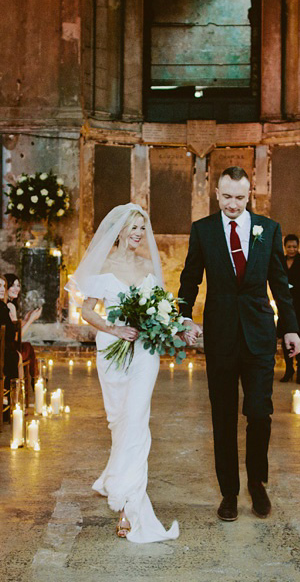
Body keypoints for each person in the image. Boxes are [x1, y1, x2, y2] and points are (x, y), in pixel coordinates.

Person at [179, 167, 300, 523]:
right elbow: (190, 278)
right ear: (217, 194)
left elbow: (281, 284)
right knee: (223, 416)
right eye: (227, 197)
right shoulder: (202, 230)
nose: (233, 204)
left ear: (249, 196)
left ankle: (257, 483)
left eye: (240, 197)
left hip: (260, 334)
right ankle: (229, 493)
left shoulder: (269, 228)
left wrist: (290, 329)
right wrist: (184, 316)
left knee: (260, 413)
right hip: (220, 335)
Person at [68, 202, 179, 542]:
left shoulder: (148, 266)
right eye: (133, 227)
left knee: (136, 422)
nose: (137, 233)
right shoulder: (103, 264)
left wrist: (174, 326)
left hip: (145, 351)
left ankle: (131, 512)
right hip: (112, 351)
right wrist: (114, 330)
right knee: (119, 422)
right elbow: (87, 311)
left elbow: (164, 310)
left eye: (142, 228)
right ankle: (119, 486)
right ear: (118, 230)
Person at [279, 234, 300, 384]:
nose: (292, 249)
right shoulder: (280, 261)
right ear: (285, 247)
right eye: (289, 247)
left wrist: (292, 285)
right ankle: (288, 368)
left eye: (294, 246)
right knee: (285, 334)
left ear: (298, 247)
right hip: (285, 303)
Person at [4, 272, 42, 382]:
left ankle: (35, 379)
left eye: (18, 285)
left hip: (7, 345)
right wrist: (31, 320)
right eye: (12, 286)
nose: (16, 289)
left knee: (28, 347)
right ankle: (34, 379)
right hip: (9, 348)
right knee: (28, 347)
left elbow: (14, 327)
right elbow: (17, 336)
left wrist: (26, 319)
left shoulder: (9, 304)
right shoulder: (9, 306)